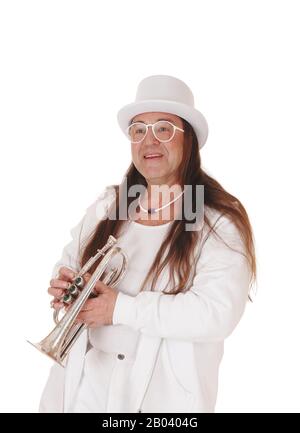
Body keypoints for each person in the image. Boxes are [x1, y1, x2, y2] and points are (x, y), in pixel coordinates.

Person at [39, 74, 256, 413]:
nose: (148, 141)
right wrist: (66, 281)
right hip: (83, 395)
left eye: (164, 129)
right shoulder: (112, 204)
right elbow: (69, 258)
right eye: (138, 130)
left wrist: (120, 309)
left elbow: (216, 313)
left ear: (191, 141)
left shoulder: (213, 220)